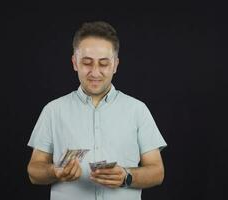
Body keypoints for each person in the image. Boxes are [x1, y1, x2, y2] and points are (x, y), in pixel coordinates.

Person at [27, 21, 167, 200]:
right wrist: (54, 171)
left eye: (103, 64)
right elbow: (34, 170)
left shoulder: (137, 110)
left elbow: (157, 171)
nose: (95, 72)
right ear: (74, 62)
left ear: (115, 65)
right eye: (87, 63)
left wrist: (126, 176)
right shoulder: (53, 110)